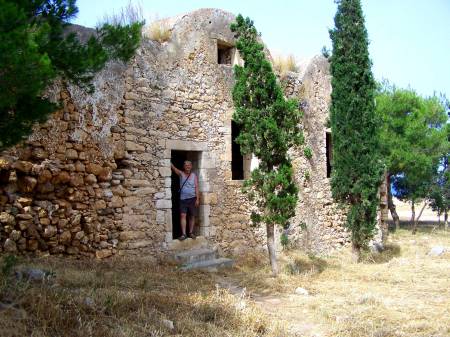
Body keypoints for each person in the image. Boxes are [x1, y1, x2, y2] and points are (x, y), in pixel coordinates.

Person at [171, 160, 199, 240]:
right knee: (183, 215)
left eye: (189, 165)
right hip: (183, 199)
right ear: (184, 166)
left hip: (193, 198)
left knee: (192, 216)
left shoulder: (194, 176)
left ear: (191, 166)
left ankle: (190, 232)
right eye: (186, 165)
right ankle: (184, 234)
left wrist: (197, 199)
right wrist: (168, 161)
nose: (187, 166)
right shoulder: (181, 174)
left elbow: (197, 187)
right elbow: (174, 168)